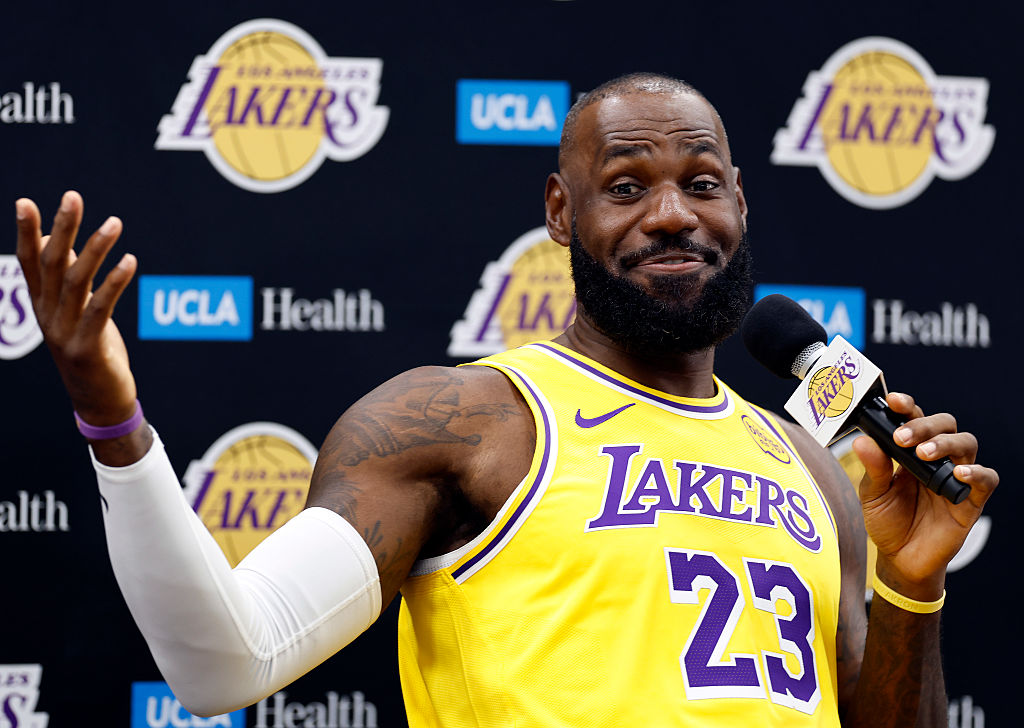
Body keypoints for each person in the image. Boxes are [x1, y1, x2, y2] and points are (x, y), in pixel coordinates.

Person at [14, 73, 997, 726]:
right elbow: (223, 660)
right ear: (560, 212)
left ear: (739, 203)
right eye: (624, 185)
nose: (670, 212)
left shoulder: (811, 463)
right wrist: (113, 418)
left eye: (701, 182)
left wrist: (910, 584)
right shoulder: (469, 421)